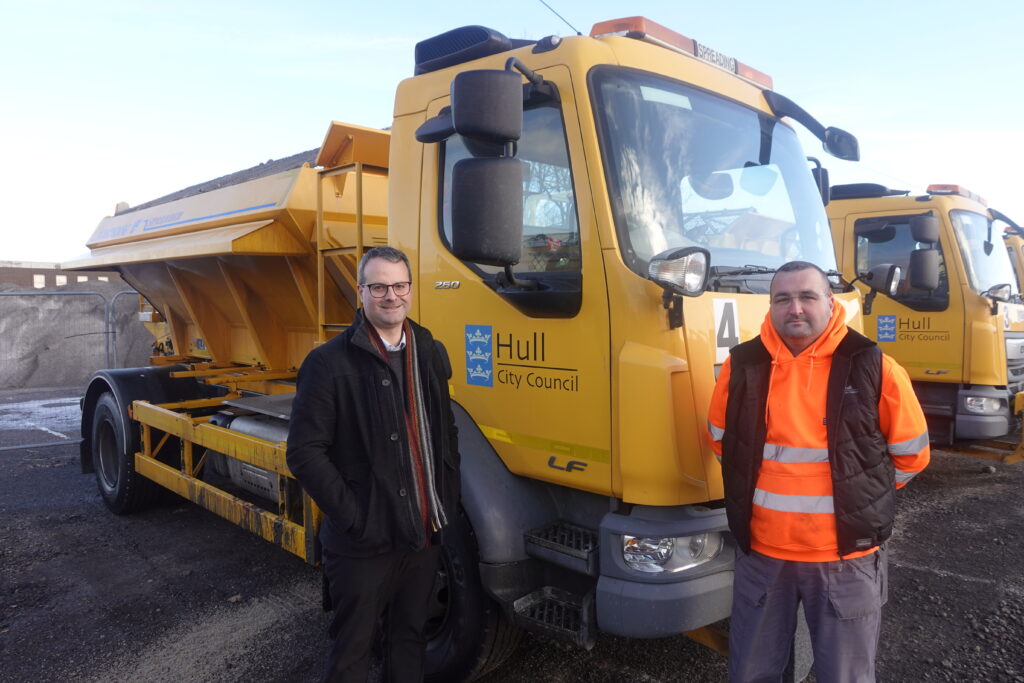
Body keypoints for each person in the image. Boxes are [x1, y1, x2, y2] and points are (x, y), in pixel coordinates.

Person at [706, 261, 929, 683]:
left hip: (844, 559)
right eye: (783, 299)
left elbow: (911, 452)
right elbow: (722, 440)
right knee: (751, 673)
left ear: (829, 302)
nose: (795, 308)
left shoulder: (872, 364)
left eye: (807, 297)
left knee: (844, 676)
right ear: (770, 305)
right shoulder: (743, 364)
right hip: (763, 555)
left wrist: (862, 498)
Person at [286, 245, 460, 682]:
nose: (391, 296)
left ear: (411, 290)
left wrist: (446, 497)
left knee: (409, 641)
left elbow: (446, 431)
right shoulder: (328, 363)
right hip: (362, 545)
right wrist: (356, 519)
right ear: (361, 292)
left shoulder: (429, 352)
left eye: (399, 286)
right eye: (379, 287)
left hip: (421, 535)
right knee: (352, 651)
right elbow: (304, 452)